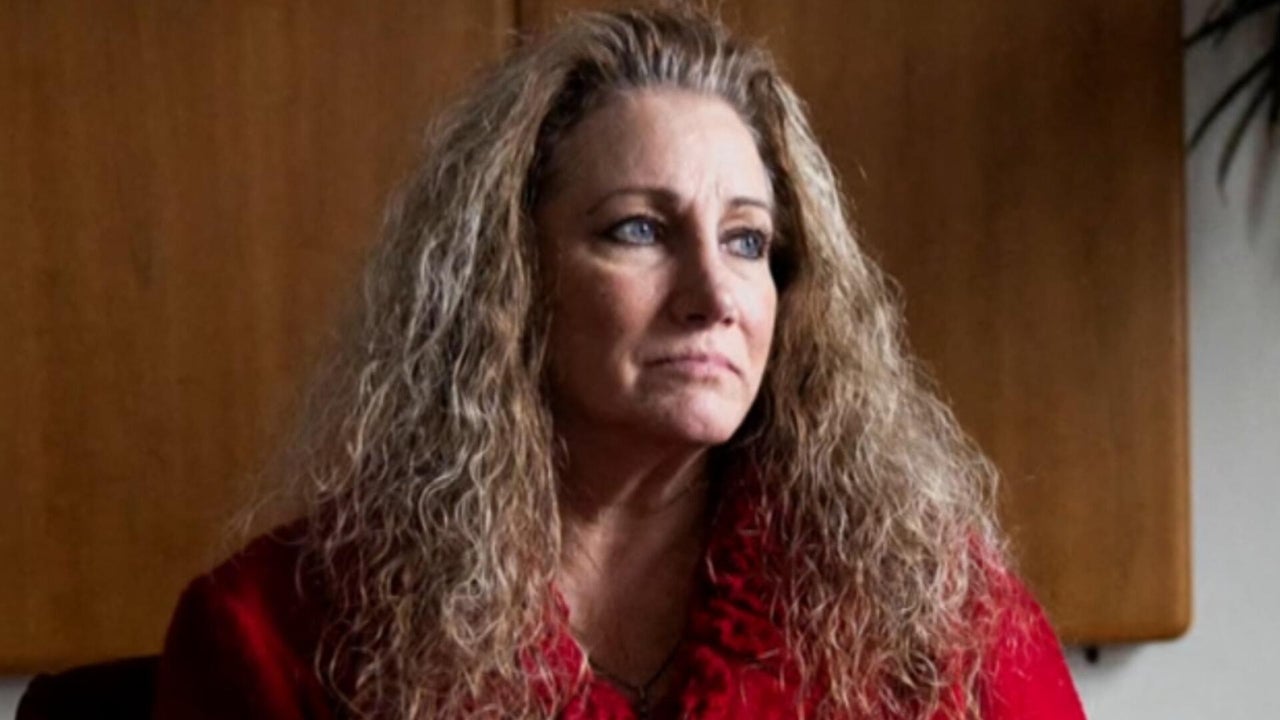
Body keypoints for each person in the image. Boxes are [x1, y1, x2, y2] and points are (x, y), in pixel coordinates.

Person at [153, 5, 1085, 719]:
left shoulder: (929, 605)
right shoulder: (279, 633)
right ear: (509, 275)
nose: (713, 293)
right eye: (638, 230)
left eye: (748, 241)